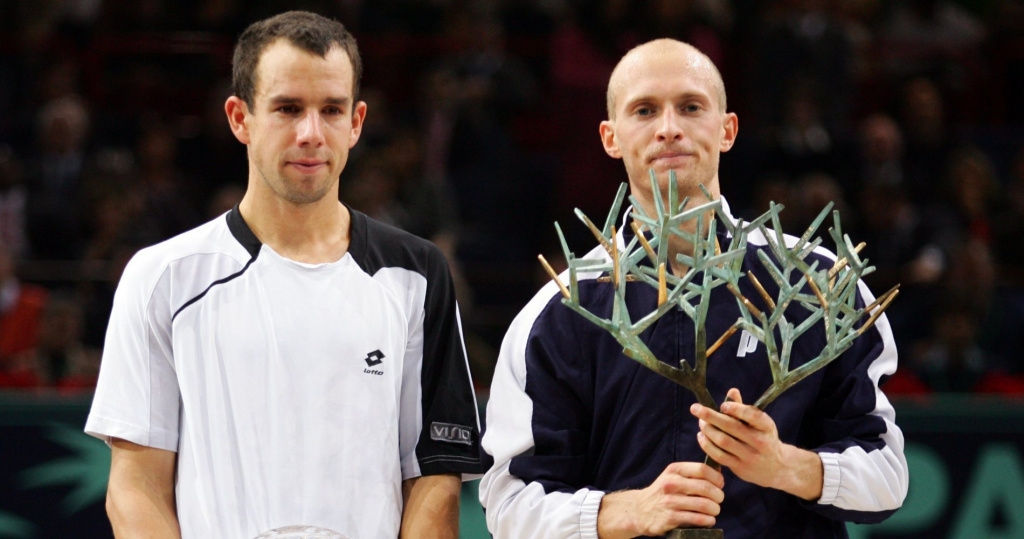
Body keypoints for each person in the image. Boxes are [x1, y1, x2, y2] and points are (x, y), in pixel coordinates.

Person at [479, 39, 908, 538]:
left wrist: (785, 465)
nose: (668, 128)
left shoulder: (817, 282)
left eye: (690, 107)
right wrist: (625, 512)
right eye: (644, 110)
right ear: (610, 137)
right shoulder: (561, 310)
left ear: (727, 129)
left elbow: (888, 477)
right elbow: (508, 506)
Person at [84, 11, 482, 538]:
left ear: (357, 122)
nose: (311, 133)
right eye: (288, 109)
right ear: (239, 117)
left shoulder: (416, 273)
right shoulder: (162, 277)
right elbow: (135, 488)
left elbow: (435, 479)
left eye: (331, 110)